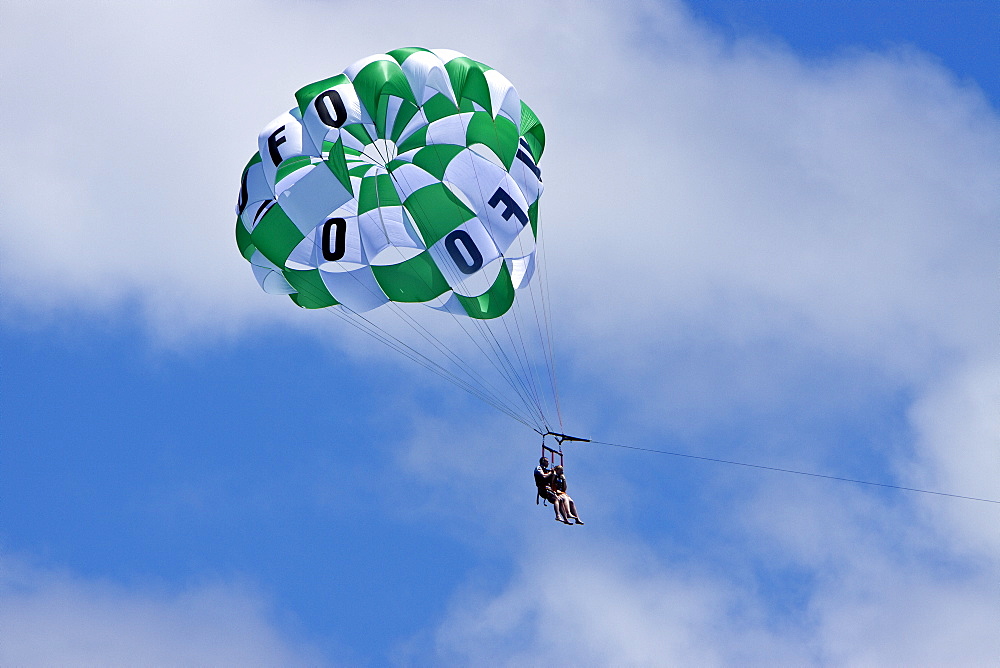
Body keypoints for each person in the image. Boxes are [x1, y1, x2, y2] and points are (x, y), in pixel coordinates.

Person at [534, 457, 567, 522]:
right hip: (543, 489)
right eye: (547, 461)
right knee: (556, 499)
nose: (548, 463)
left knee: (560, 500)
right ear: (543, 461)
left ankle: (565, 518)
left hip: (548, 489)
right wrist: (551, 473)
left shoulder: (546, 470)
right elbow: (544, 476)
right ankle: (558, 516)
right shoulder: (539, 468)